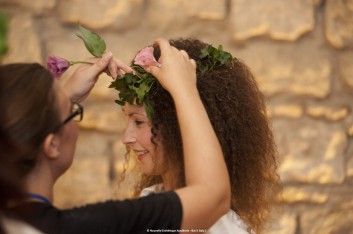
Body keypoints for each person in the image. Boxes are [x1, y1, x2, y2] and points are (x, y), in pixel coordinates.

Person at [2, 38, 231, 234]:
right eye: (72, 112)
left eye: (139, 121)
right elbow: (212, 196)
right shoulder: (81, 227)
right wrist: (184, 89)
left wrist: (58, 103)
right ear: (52, 145)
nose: (126, 138)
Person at [119, 38, 281, 234]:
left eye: (138, 122)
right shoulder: (151, 201)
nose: (126, 138)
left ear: (177, 125)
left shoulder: (214, 225)